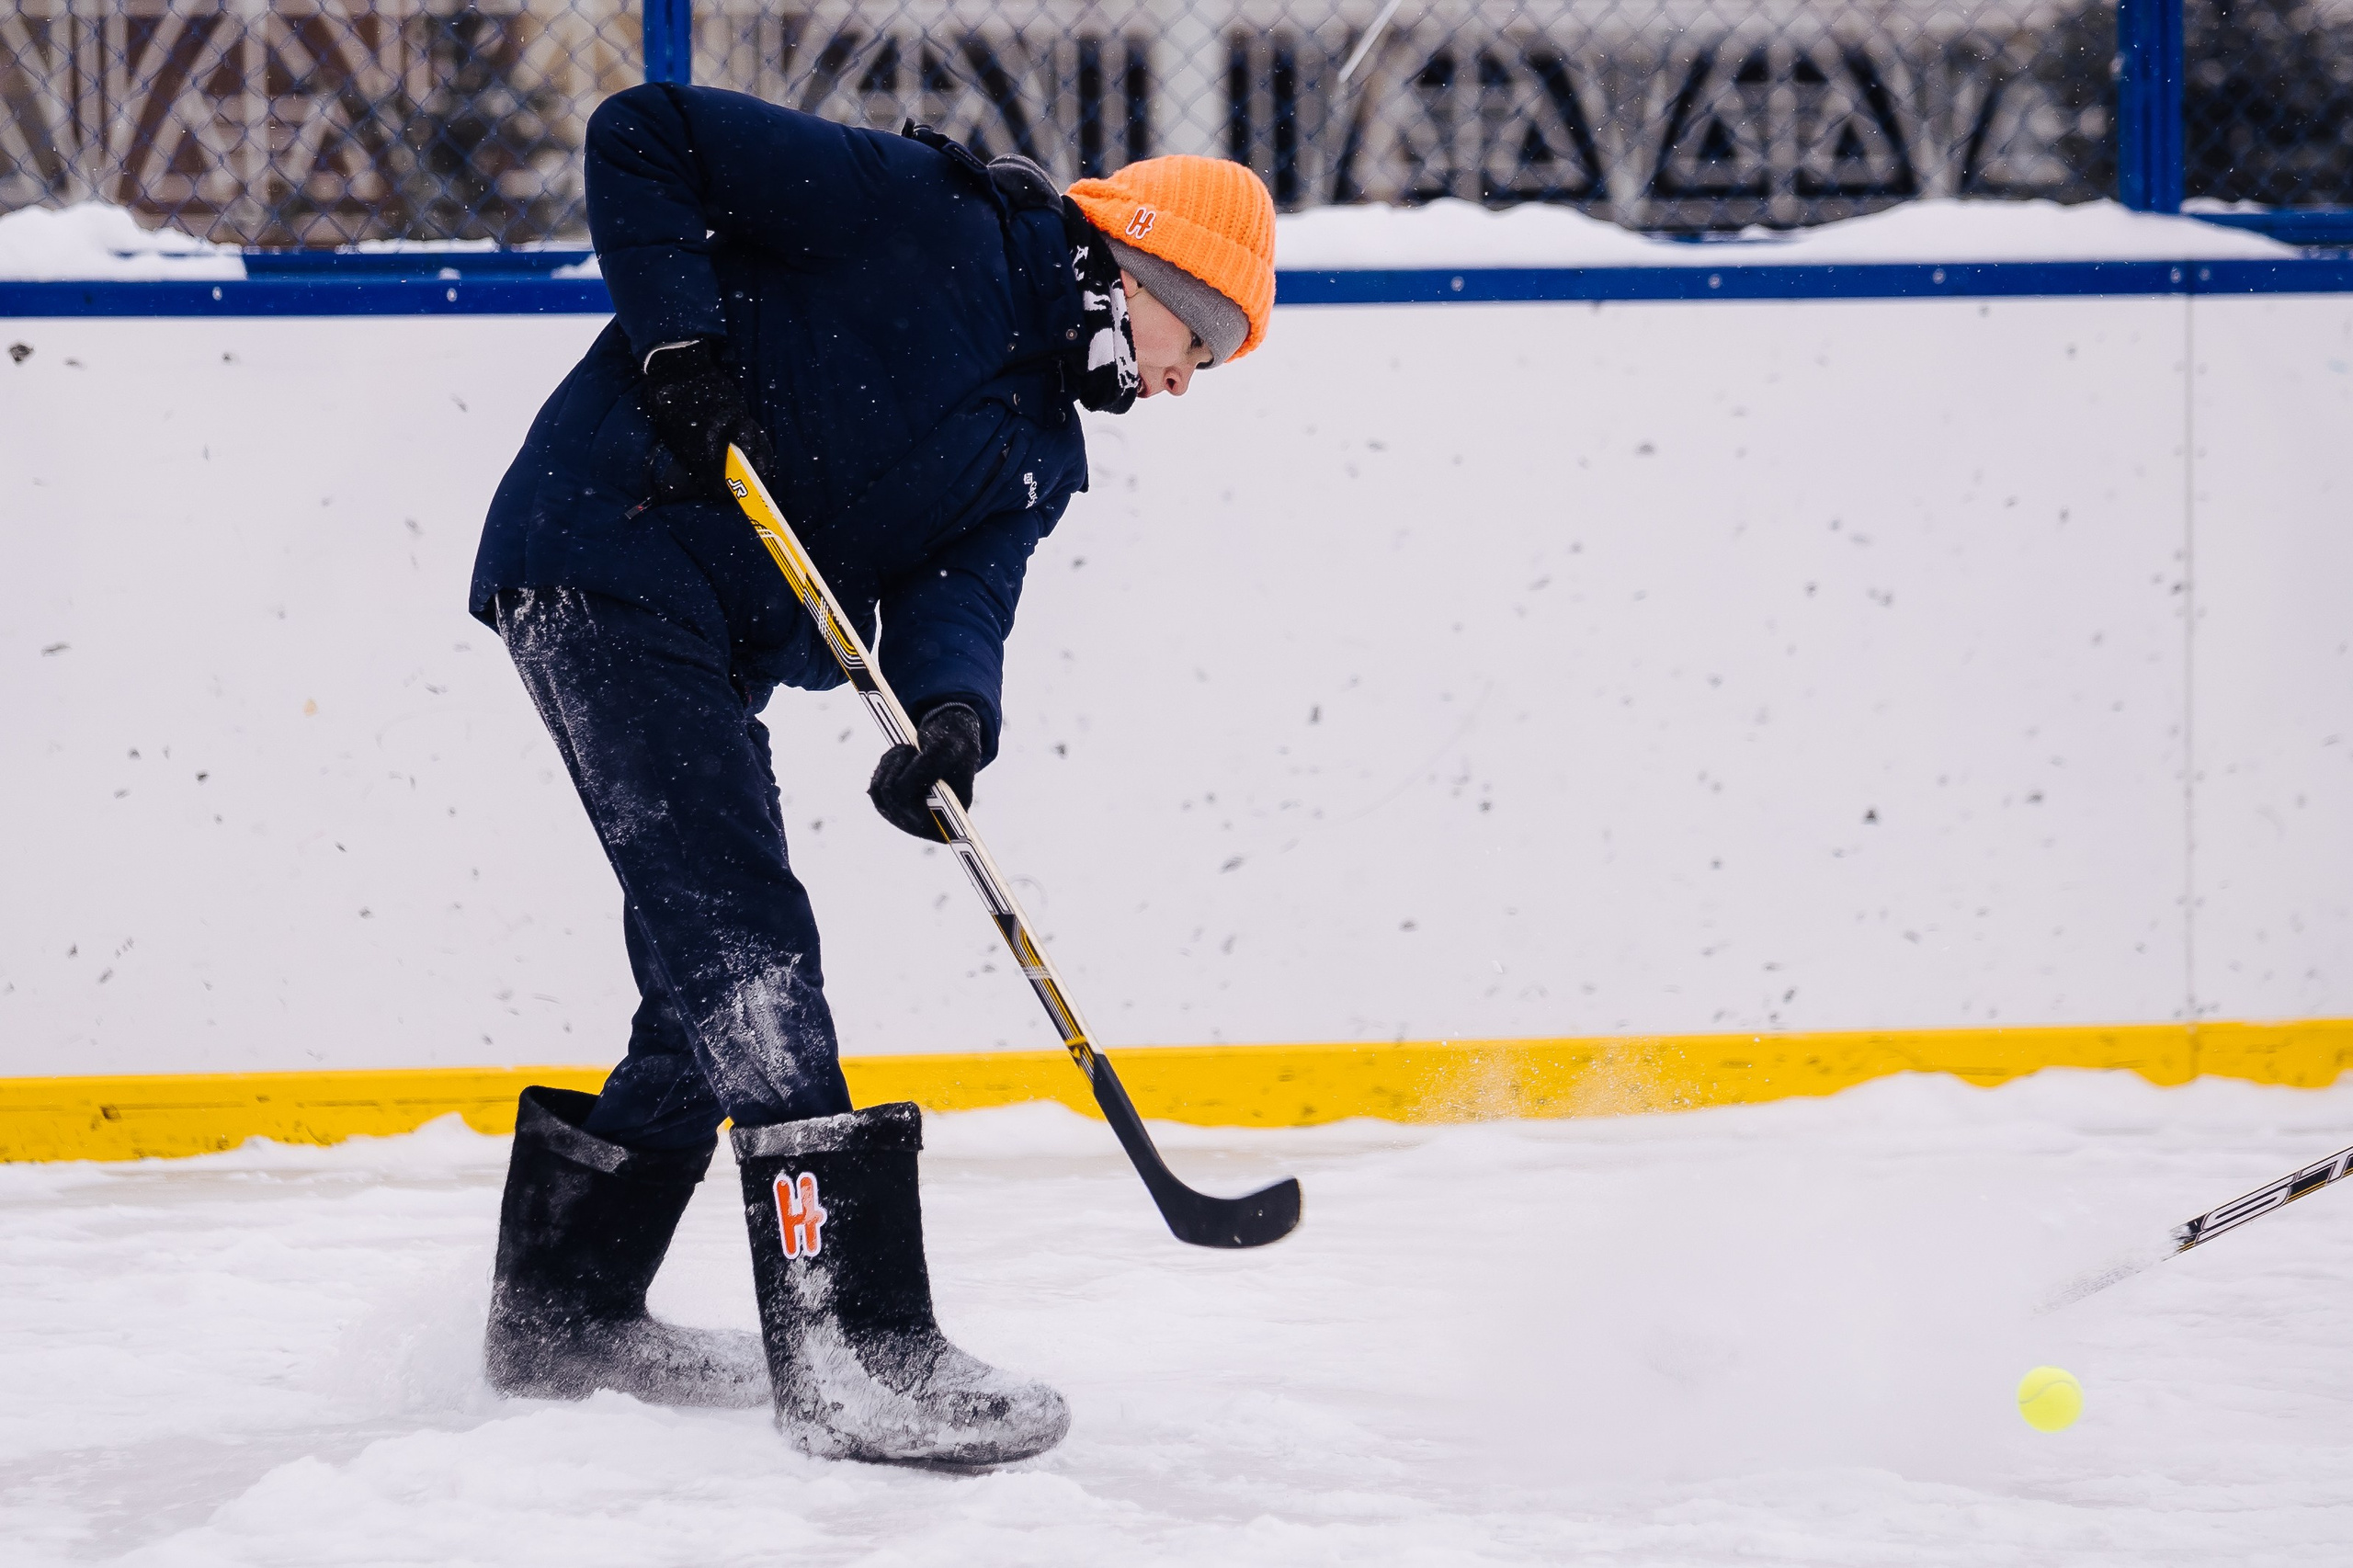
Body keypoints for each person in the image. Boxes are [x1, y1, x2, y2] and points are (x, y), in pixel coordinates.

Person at [464, 81, 1277, 1466]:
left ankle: (569, 1310)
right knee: (746, 938)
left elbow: (963, 589)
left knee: (698, 967)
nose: (1188, 376)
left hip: (706, 629)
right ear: (1140, 262)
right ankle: (850, 1337)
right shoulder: (919, 216)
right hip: (603, 549)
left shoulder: (1040, 453)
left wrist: (952, 716)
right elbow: (643, 133)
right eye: (1197, 337)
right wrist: (678, 348)